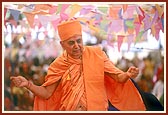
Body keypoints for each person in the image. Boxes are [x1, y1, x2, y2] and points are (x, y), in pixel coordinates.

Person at [10, 20, 163, 111]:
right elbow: (46, 93)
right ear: (62, 45)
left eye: (79, 41)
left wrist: (127, 75)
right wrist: (28, 84)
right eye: (71, 43)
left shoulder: (97, 54)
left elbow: (118, 77)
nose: (76, 46)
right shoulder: (57, 65)